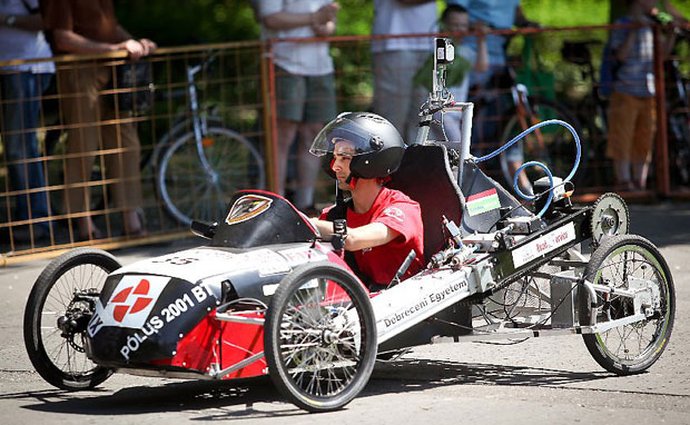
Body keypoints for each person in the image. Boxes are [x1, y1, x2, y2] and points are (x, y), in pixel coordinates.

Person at [39, 0, 155, 240]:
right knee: (84, 145)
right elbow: (63, 38)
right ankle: (83, 222)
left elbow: (111, 29)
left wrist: (136, 43)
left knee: (127, 144)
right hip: (78, 72)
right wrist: (114, 48)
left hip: (111, 71)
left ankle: (130, 217)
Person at [309, 112, 425, 288]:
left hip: (409, 303)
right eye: (335, 157)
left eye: (345, 158)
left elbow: (353, 239)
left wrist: (305, 222)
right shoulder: (334, 216)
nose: (335, 166)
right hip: (362, 305)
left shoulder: (402, 209)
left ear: (372, 161)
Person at [447, 0, 538, 193]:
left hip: (500, 56)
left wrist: (527, 24)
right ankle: (474, 184)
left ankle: (522, 184)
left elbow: (517, 14)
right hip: (474, 54)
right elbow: (455, 13)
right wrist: (477, 29)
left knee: (511, 114)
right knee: (477, 123)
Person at [258, 1, 339, 213]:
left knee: (314, 136)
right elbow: (270, 17)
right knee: (282, 136)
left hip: (321, 66)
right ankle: (276, 204)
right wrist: (315, 19)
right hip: (284, 63)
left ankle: (305, 204)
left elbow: (330, 20)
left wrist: (325, 27)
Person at [606, 0, 677, 191]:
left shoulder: (652, 26)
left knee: (644, 139)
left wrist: (670, 34)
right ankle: (624, 182)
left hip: (648, 91)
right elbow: (620, 55)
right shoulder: (623, 24)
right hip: (625, 90)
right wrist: (634, 28)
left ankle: (640, 182)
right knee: (622, 138)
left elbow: (661, 55)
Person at [0, 0, 54, 244]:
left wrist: (6, 20)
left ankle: (36, 221)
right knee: (17, 146)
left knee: (20, 147)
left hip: (26, 68)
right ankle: (29, 219)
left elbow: (45, 20)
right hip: (9, 69)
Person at [412, 4, 489, 142]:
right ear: (443, 25)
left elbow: (482, 67)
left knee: (447, 152)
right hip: (440, 113)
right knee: (458, 146)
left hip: (457, 112)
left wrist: (481, 40)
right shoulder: (434, 52)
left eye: (464, 25)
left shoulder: (466, 52)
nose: (460, 29)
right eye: (455, 25)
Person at [371, 0, 438, 143]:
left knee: (426, 120)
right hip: (393, 44)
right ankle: (388, 163)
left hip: (428, 44)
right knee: (391, 121)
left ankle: (419, 163)